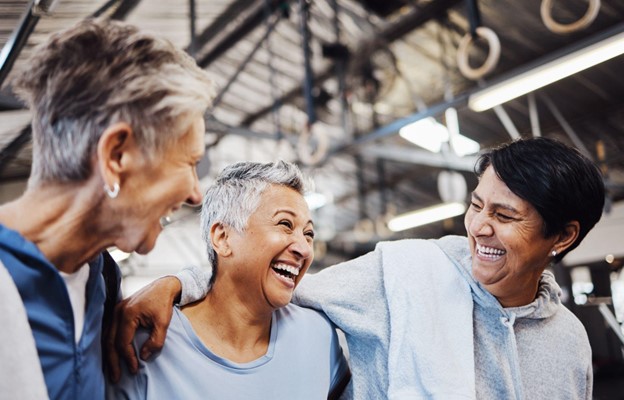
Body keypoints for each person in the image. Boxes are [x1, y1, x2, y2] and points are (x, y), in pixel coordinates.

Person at [111, 137, 603, 399]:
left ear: (563, 237)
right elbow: (266, 287)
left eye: (505, 216)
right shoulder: (405, 274)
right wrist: (175, 285)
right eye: (477, 206)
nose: (480, 227)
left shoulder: (568, 342)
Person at [0, 18, 214, 399]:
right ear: (116, 155)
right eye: (189, 162)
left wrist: (176, 283)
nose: (196, 194)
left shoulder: (101, 280)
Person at [108, 161, 350, 399]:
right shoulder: (146, 345)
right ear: (223, 238)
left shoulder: (317, 337)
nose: (305, 249)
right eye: (285, 224)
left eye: (308, 234)